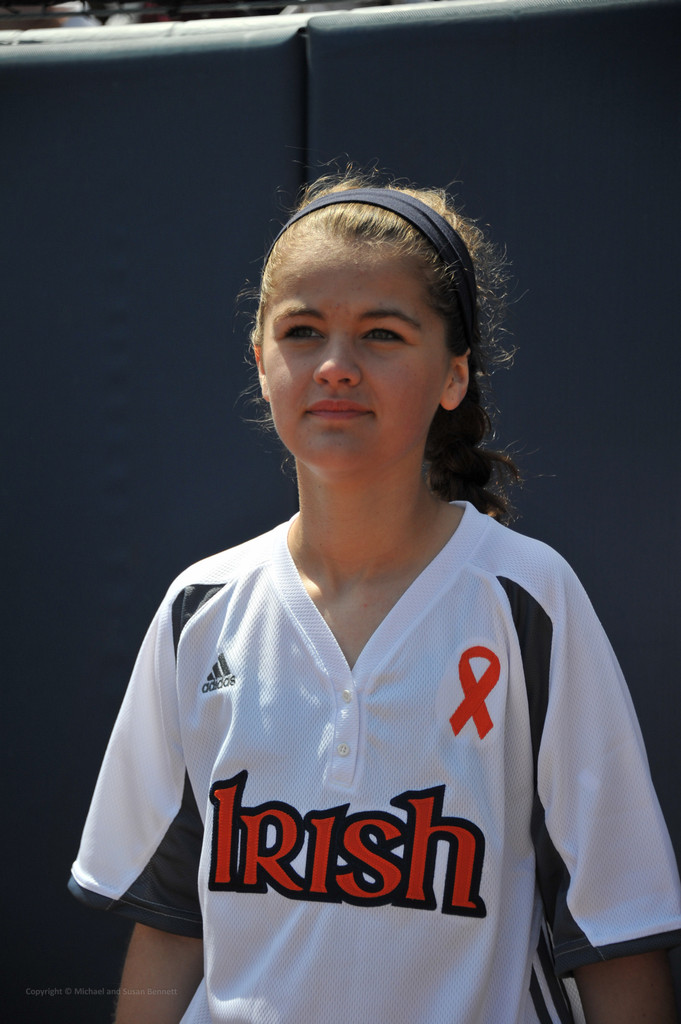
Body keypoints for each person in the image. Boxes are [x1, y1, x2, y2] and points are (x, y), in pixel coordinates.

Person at [69, 172, 681, 1024]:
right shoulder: (198, 607)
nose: (334, 366)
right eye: (302, 330)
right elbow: (172, 927)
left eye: (382, 334)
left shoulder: (526, 599)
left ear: (453, 376)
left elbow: (618, 932)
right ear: (260, 358)